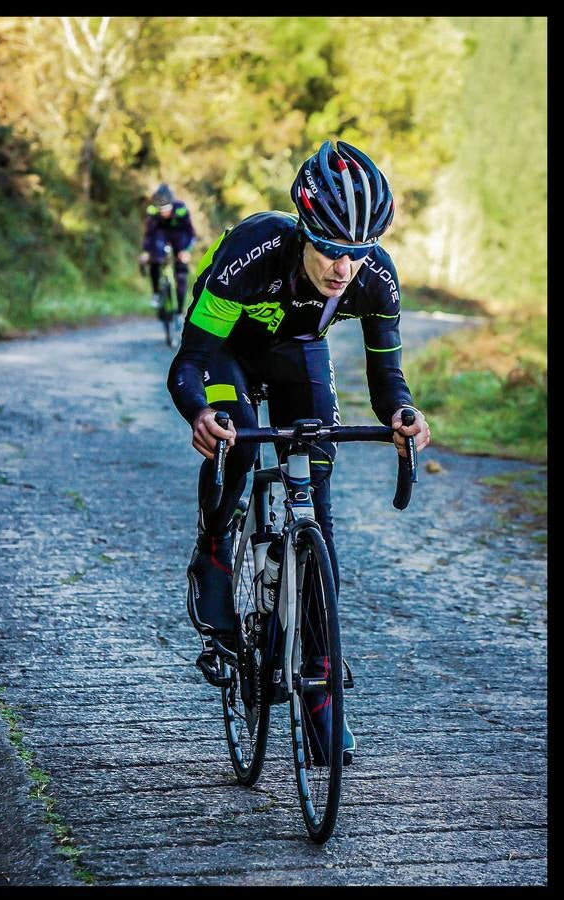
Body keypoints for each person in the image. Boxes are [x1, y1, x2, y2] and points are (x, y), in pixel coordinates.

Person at [167, 140, 431, 763]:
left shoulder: (375, 278)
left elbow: (387, 377)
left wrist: (401, 413)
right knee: (234, 426)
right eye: (332, 251)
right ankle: (214, 550)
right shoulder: (252, 253)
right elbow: (190, 365)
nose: (345, 268)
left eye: (357, 254)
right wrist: (199, 414)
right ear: (305, 232)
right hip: (228, 347)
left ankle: (320, 688)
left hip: (298, 352)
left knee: (318, 494)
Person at [138, 183, 196, 321]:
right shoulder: (152, 211)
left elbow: (190, 233)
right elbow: (149, 233)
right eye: (161, 210)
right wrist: (146, 252)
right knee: (154, 258)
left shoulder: (181, 209)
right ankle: (157, 293)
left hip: (178, 237)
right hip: (161, 236)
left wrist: (187, 251)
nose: (164, 213)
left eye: (167, 209)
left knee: (181, 274)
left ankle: (180, 310)